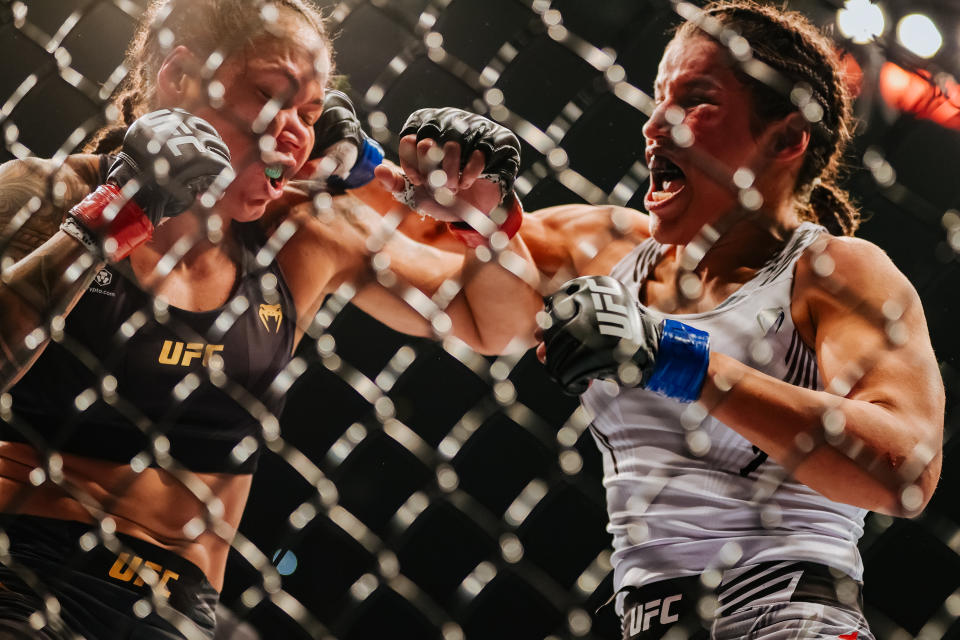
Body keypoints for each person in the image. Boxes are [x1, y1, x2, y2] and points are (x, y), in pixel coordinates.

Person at [372, 1, 945, 638]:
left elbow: (907, 469)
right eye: (656, 100)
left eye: (695, 100)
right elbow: (476, 302)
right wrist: (394, 179)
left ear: (784, 138)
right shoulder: (610, 245)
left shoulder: (835, 272)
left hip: (789, 615)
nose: (654, 126)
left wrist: (674, 355)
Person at [0, 0, 540, 638]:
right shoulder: (45, 192)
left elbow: (496, 322)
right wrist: (110, 218)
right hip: (21, 571)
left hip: (181, 609)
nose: (294, 132)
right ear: (179, 79)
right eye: (269, 95)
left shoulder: (303, 233)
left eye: (311, 115)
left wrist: (487, 220)